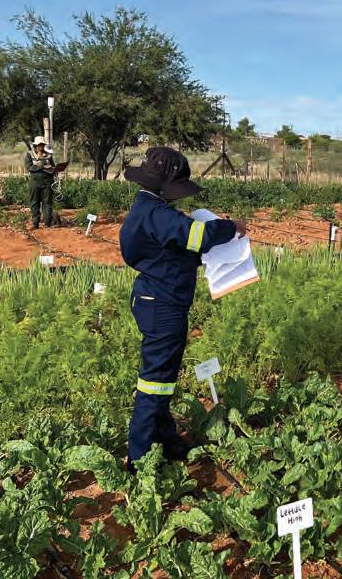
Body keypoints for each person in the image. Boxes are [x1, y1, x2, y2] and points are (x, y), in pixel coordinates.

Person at [119, 146, 247, 472]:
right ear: (165, 186)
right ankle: (140, 458)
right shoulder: (159, 215)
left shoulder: (148, 208)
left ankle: (165, 437)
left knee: (163, 378)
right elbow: (199, 236)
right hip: (162, 306)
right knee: (154, 381)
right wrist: (232, 226)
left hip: (154, 300)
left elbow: (177, 243)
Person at [25, 136, 56, 228]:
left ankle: (47, 223)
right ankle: (35, 223)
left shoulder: (49, 155)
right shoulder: (30, 155)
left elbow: (53, 166)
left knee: (47, 202)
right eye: (39, 145)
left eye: (42, 145)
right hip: (35, 183)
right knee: (35, 202)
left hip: (47, 182)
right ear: (35, 146)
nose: (40, 147)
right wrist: (41, 166)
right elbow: (29, 167)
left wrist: (55, 169)